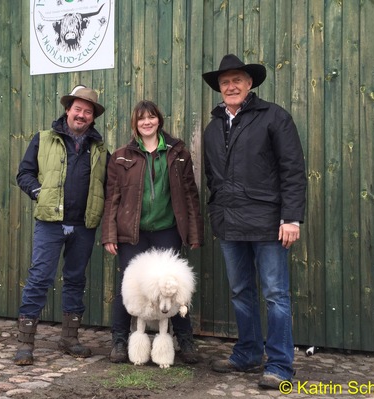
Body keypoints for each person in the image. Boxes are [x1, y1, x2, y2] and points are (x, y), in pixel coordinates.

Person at [201, 54, 307, 389]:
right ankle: (247, 352)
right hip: (229, 223)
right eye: (225, 82)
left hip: (268, 222)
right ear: (219, 88)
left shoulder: (274, 117)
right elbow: (212, 176)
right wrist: (217, 211)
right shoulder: (213, 127)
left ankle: (279, 364)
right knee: (239, 291)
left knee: (275, 293)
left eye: (237, 80)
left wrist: (291, 217)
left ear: (249, 84)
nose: (230, 86)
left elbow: (293, 170)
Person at [101, 100, 204, 365]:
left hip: (167, 231)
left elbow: (190, 194)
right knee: (129, 286)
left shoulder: (177, 151)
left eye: (152, 117)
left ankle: (185, 339)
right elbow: (112, 197)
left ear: (159, 120)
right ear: (135, 124)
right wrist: (110, 234)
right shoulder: (122, 155)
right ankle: (120, 340)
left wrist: (193, 232)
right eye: (141, 118)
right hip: (132, 234)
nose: (147, 122)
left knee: (173, 288)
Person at [14, 85, 109, 366]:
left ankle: (69, 339)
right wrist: (38, 192)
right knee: (40, 277)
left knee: (75, 280)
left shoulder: (101, 149)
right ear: (68, 110)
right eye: (77, 109)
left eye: (87, 111)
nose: (81, 115)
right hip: (50, 222)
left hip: (84, 224)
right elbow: (25, 173)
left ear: (93, 117)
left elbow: (111, 183)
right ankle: (25, 343)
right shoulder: (43, 139)